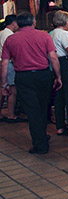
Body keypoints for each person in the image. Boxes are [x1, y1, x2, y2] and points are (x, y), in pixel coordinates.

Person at [0, 12, 62, 155]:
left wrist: (4, 84)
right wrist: (58, 76)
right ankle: (42, 138)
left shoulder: (11, 39)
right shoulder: (44, 36)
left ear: (18, 24)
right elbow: (53, 57)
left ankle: (40, 143)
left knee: (32, 110)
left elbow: (4, 63)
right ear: (33, 22)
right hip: (43, 76)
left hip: (23, 77)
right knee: (43, 107)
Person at [50, 10, 68, 137]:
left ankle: (60, 127)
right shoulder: (64, 34)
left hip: (57, 64)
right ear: (64, 21)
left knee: (59, 97)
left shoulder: (53, 33)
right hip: (66, 64)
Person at [0, 15, 21, 123]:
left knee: (2, 89)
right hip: (7, 64)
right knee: (12, 90)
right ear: (14, 23)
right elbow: (11, 53)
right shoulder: (9, 35)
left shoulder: (2, 33)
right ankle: (11, 115)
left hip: (2, 63)